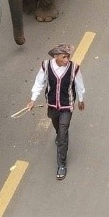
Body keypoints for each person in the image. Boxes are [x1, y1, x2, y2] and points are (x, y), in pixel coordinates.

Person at [25, 43, 86, 181]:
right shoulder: (46, 66)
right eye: (64, 57)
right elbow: (39, 82)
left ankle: (61, 164)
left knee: (63, 131)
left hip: (66, 106)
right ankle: (59, 135)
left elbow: (79, 84)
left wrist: (80, 99)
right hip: (52, 105)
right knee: (57, 127)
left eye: (68, 57)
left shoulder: (74, 68)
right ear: (56, 57)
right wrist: (32, 99)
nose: (67, 60)